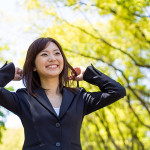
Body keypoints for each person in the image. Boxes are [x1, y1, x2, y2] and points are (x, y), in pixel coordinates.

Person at [0, 37, 126, 150]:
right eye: (44, 54)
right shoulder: (22, 98)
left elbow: (117, 91)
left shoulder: (79, 97)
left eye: (57, 53)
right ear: (33, 65)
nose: (52, 58)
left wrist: (89, 74)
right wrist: (8, 72)